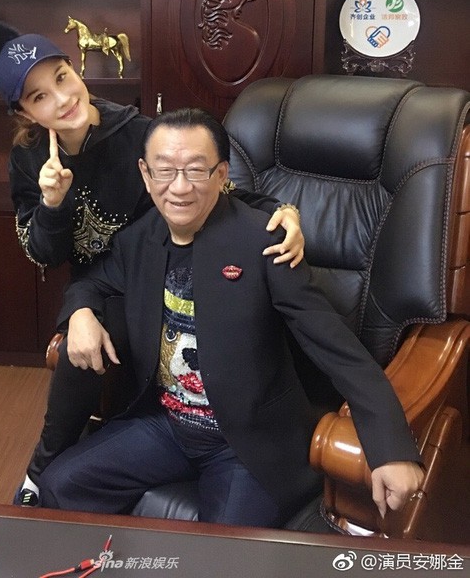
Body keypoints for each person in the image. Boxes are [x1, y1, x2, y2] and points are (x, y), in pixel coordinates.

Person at [38, 108, 424, 527]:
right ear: (146, 175)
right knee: (60, 485)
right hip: (168, 424)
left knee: (222, 551)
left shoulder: (265, 243)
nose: (179, 187)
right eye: (164, 171)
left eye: (196, 170)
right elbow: (91, 281)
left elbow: (336, 346)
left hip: (245, 442)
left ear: (221, 175)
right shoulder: (139, 239)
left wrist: (391, 448)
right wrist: (80, 312)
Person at [0, 22, 305, 506]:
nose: (62, 99)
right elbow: (44, 254)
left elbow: (217, 191)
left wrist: (284, 211)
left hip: (156, 275)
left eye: (63, 77)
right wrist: (52, 204)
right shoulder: (28, 158)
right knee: (78, 347)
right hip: (95, 285)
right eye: (40, 97)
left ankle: (97, 457)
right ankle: (42, 473)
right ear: (24, 112)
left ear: (75, 70)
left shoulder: (137, 132)